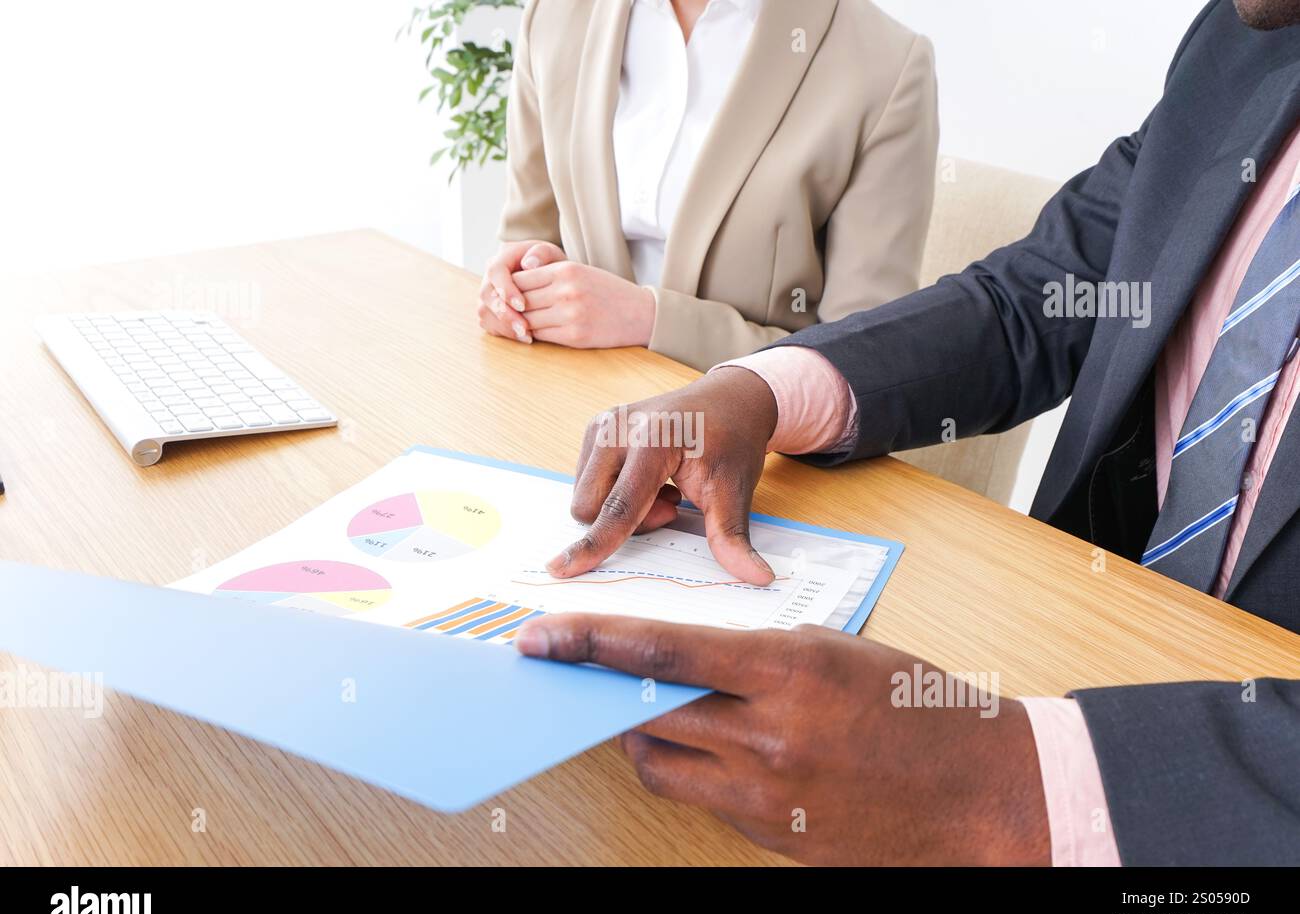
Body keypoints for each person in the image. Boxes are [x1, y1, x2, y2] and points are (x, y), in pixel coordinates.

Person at [513, 0, 1300, 865]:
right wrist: (761, 389)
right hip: (1074, 655)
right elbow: (1036, 296)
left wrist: (1010, 782)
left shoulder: (876, 59)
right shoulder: (1242, 38)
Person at [477, 0, 939, 371]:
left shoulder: (886, 66)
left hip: (749, 443)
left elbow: (863, 366)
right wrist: (515, 289)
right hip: (561, 402)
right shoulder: (556, 12)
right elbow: (526, 234)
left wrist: (649, 319)